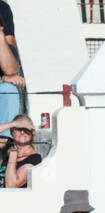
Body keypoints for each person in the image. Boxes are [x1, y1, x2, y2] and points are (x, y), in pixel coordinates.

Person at [0, 114, 38, 188]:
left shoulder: (34, 159)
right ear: (11, 132)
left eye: (25, 128)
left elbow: (11, 185)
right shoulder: (8, 145)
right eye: (18, 128)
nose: (22, 132)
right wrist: (13, 123)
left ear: (32, 132)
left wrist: (12, 157)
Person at [0, 0, 21, 128]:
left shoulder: (2, 7)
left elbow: (10, 70)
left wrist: (1, 39)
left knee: (9, 90)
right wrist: (4, 78)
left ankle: (3, 143)